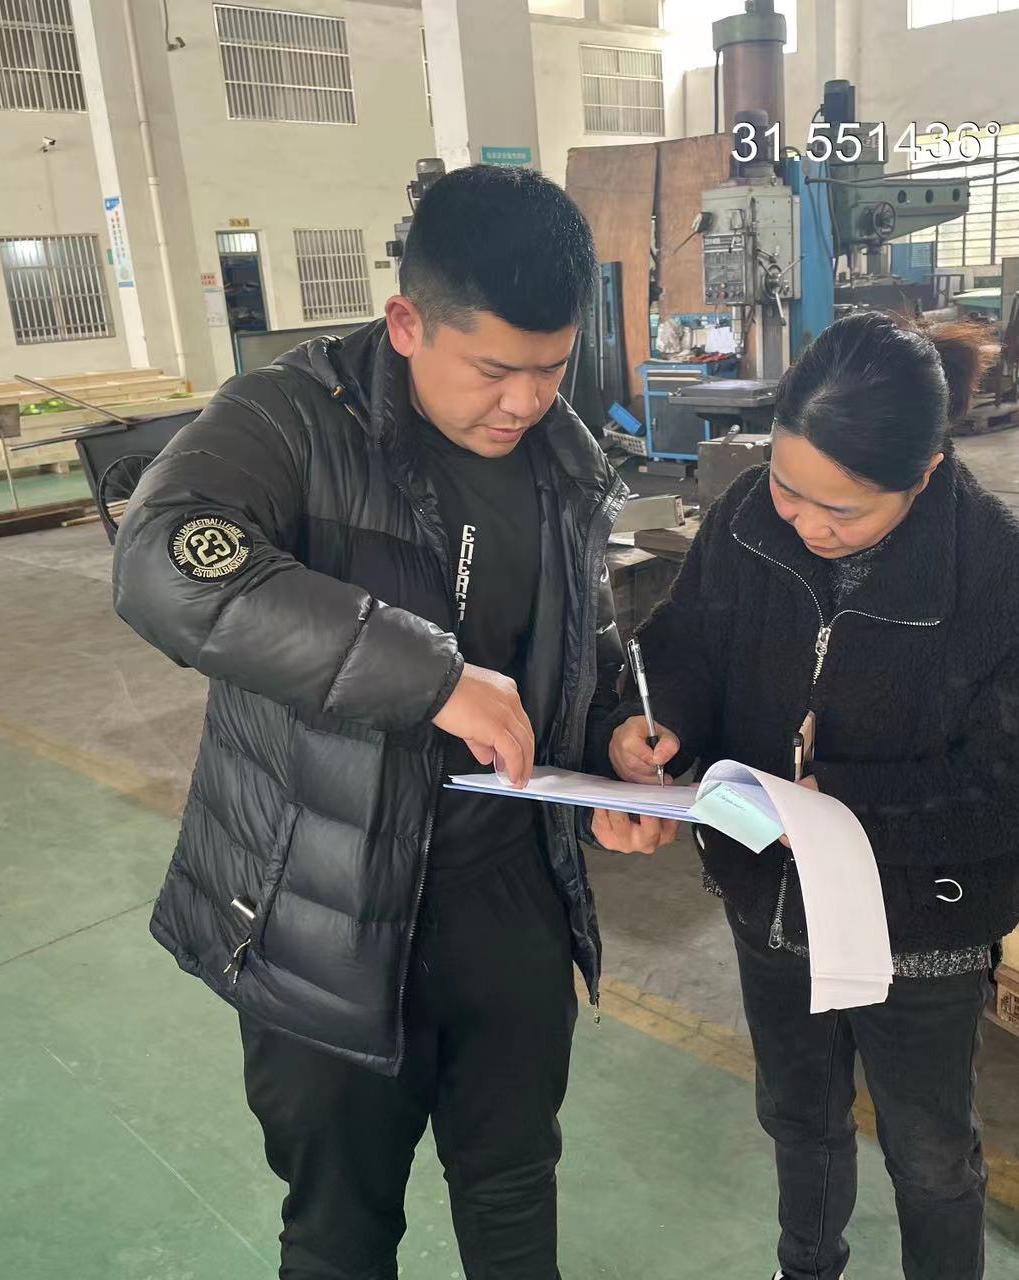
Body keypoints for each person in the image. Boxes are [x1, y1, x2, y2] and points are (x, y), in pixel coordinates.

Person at [112, 164, 673, 1280]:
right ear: (408, 322)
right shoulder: (287, 419)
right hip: (327, 912)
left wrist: (613, 734)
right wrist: (428, 676)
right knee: (340, 1229)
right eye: (494, 371)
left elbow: (576, 642)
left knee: (513, 1187)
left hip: (509, 904)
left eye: (552, 369)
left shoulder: (561, 460)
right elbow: (163, 564)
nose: (524, 402)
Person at [603, 312, 1019, 1280]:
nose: (805, 524)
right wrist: (649, 723)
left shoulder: (999, 576)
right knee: (798, 1117)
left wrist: (846, 809)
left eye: (845, 510)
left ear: (925, 473)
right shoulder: (745, 519)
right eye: (788, 486)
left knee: (930, 1154)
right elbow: (683, 645)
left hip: (916, 926)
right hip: (770, 904)